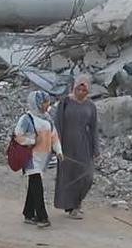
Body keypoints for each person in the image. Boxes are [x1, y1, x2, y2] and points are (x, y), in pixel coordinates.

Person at [52, 74, 102, 217]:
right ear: (74, 88)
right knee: (68, 176)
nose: (80, 93)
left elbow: (93, 128)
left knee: (87, 176)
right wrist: (56, 145)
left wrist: (96, 148)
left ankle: (77, 202)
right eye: (78, 90)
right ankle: (72, 207)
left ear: (88, 91)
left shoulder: (90, 106)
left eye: (84, 90)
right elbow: (58, 124)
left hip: (83, 144)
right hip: (66, 144)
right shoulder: (65, 102)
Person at [7, 96, 60, 225]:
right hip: (31, 157)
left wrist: (58, 151)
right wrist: (32, 141)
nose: (47, 104)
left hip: (43, 158)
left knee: (33, 183)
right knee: (37, 184)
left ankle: (28, 213)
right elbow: (18, 135)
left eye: (47, 102)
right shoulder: (26, 119)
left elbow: (54, 136)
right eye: (44, 102)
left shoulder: (47, 118)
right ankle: (42, 217)